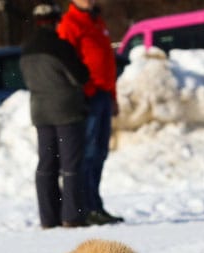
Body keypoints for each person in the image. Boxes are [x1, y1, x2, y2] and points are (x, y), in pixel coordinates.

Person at [20, 3, 90, 229]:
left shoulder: (27, 48)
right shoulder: (60, 47)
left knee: (46, 165)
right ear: (56, 21)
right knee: (71, 166)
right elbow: (80, 76)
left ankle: (48, 218)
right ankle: (72, 215)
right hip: (66, 111)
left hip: (40, 110)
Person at [58, 0, 124, 225]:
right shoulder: (70, 24)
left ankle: (96, 203)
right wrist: (85, 91)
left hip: (104, 94)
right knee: (88, 153)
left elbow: (107, 62)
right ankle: (86, 206)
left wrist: (113, 96)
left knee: (100, 152)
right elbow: (66, 63)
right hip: (89, 96)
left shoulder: (97, 22)